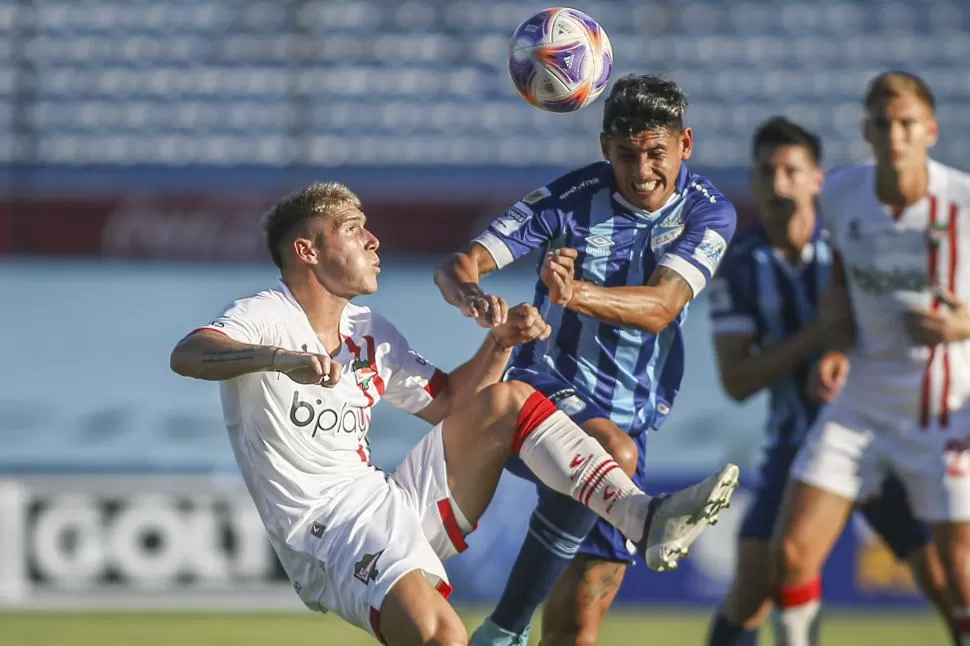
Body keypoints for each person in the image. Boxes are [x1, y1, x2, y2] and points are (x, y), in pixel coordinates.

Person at [169, 182, 740, 646]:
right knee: (441, 637)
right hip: (326, 531)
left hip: (388, 501)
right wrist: (277, 359)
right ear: (307, 251)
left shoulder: (369, 331)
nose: (372, 239)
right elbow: (189, 353)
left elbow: (452, 405)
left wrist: (502, 344)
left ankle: (642, 518)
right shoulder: (268, 314)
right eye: (352, 229)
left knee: (508, 401)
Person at [435, 74, 740, 646]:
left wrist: (573, 294)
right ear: (606, 149)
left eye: (656, 153)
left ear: (686, 145)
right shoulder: (570, 199)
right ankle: (502, 630)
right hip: (543, 387)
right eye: (627, 155)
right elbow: (459, 263)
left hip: (631, 416)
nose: (643, 170)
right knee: (610, 452)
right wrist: (475, 298)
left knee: (577, 632)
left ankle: (508, 630)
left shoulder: (709, 214)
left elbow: (662, 306)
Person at [706, 116, 954, 646]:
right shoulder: (738, 269)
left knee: (943, 578)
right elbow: (737, 380)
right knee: (752, 589)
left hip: (882, 437)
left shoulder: (858, 246)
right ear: (752, 181)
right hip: (796, 448)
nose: (779, 184)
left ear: (819, 179)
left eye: (792, 171)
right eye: (767, 172)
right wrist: (818, 335)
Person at [770, 70, 970, 646]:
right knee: (791, 553)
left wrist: (960, 324)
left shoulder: (961, 200)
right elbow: (839, 280)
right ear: (866, 130)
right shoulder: (841, 194)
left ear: (929, 130)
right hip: (859, 401)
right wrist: (833, 343)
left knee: (959, 576)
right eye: (882, 124)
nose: (894, 135)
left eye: (906, 124)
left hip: (943, 407)